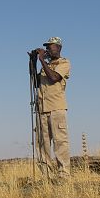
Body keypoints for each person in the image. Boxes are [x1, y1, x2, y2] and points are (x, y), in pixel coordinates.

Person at [35, 37, 71, 179]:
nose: (48, 50)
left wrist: (42, 61)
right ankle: (46, 176)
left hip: (57, 109)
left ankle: (63, 175)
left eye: (50, 47)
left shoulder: (64, 63)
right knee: (42, 144)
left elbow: (54, 78)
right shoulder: (46, 66)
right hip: (42, 109)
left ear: (59, 48)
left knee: (60, 143)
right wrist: (33, 62)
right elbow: (36, 82)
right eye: (47, 47)